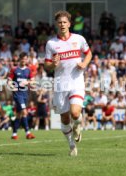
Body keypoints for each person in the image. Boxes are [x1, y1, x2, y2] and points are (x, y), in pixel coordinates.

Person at [44, 10, 92, 156]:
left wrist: (84, 63)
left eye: (65, 22)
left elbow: (89, 53)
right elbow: (47, 66)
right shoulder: (51, 43)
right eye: (60, 22)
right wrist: (53, 64)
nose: (62, 24)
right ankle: (71, 144)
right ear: (56, 24)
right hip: (60, 84)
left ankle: (77, 126)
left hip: (76, 81)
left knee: (75, 112)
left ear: (69, 24)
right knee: (64, 118)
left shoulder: (79, 39)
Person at [7, 52, 36, 140]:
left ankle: (14, 134)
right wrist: (12, 86)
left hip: (25, 94)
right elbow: (9, 80)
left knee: (19, 114)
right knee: (24, 111)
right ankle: (28, 133)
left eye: (25, 59)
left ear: (27, 60)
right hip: (17, 94)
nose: (24, 60)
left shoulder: (28, 70)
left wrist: (27, 82)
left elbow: (33, 81)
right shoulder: (14, 69)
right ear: (19, 59)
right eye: (22, 59)